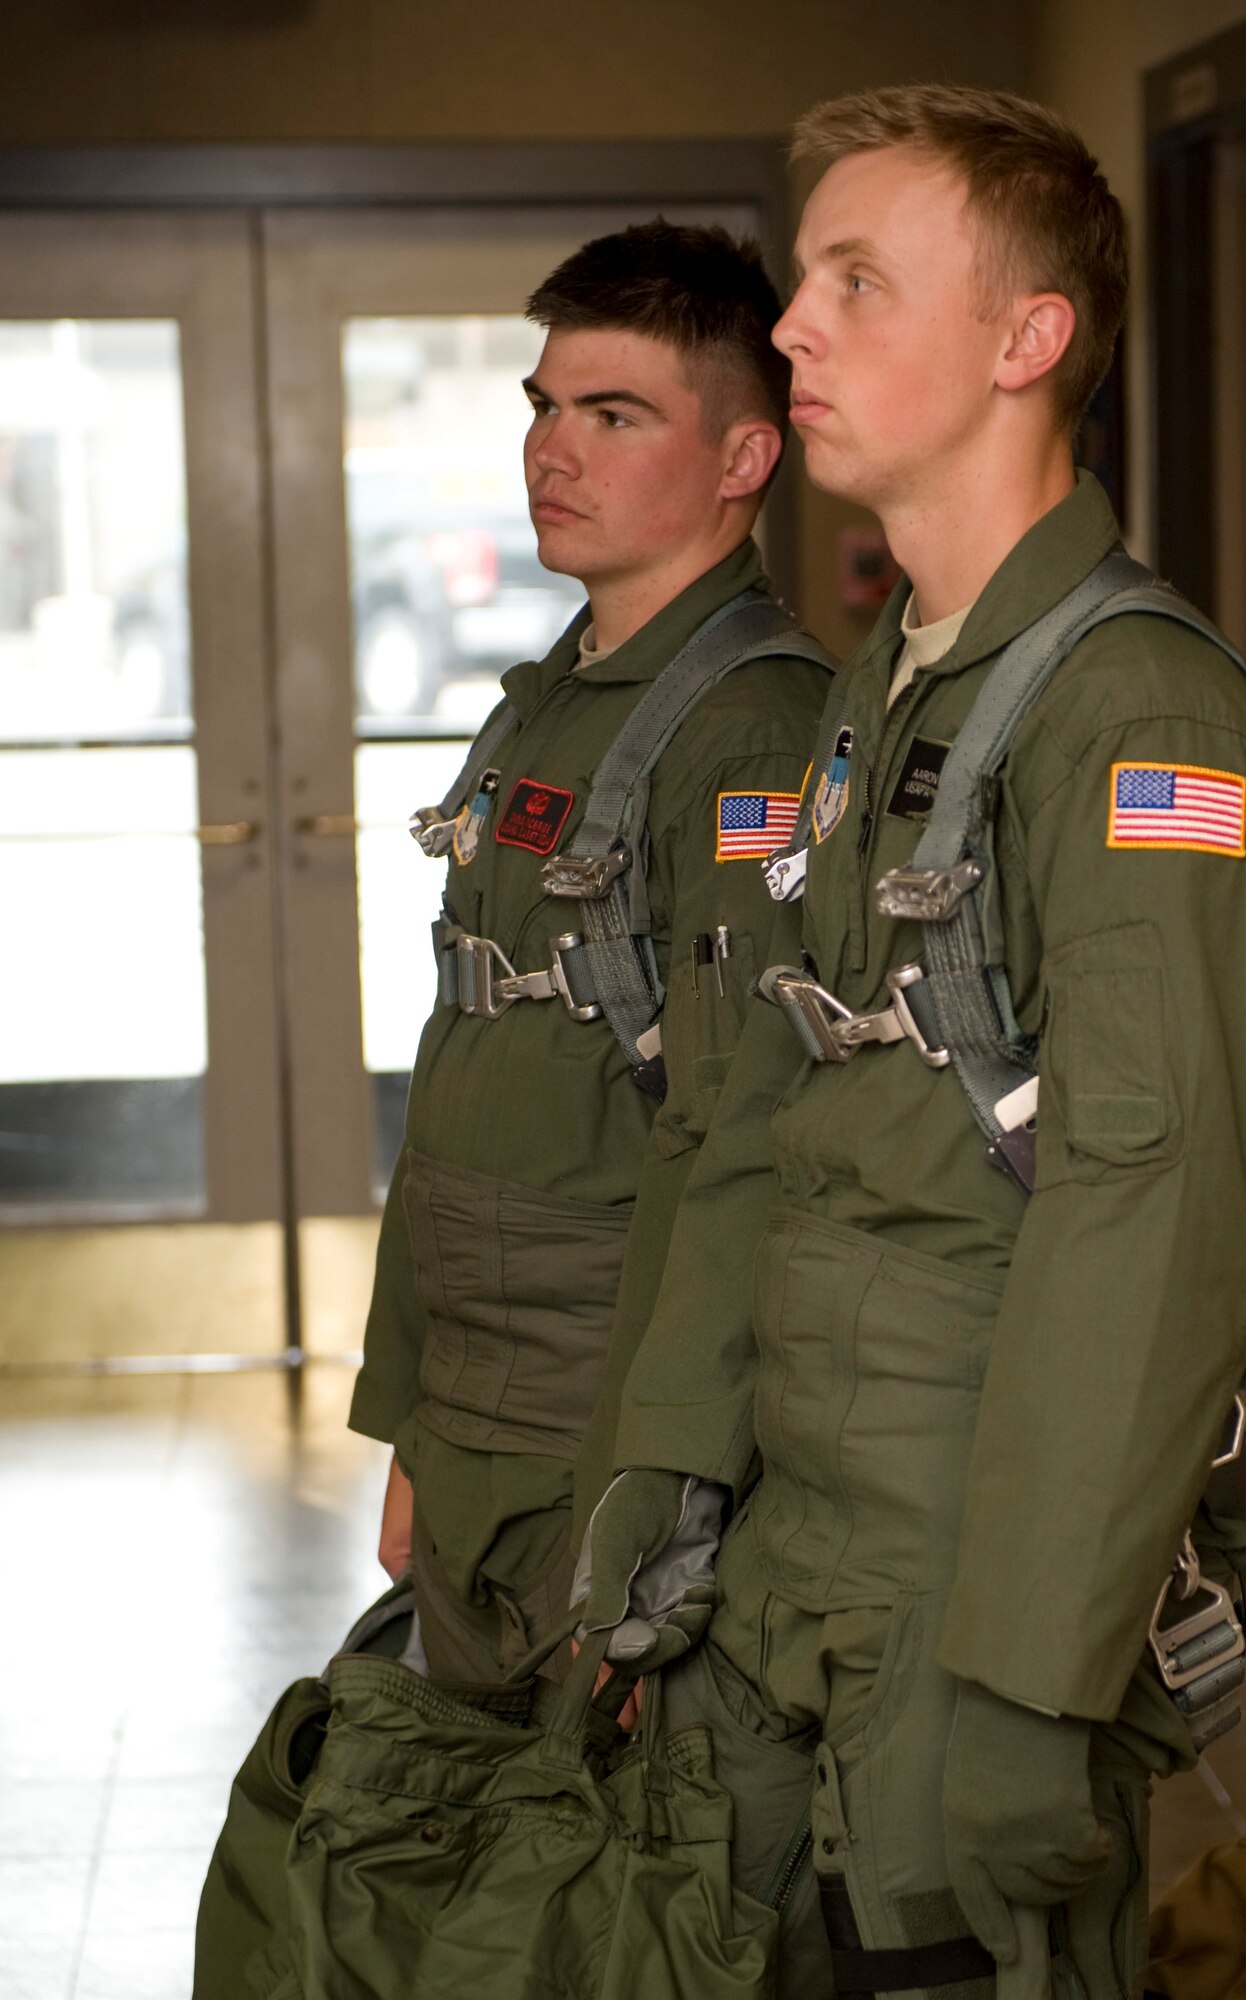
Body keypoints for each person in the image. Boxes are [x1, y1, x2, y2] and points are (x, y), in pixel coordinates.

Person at [576, 87, 1246, 2000]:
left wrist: (1030, 1671)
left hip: (973, 1578)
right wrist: (664, 1466)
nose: (795, 328)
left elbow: (1159, 1220)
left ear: (1025, 340)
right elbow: (754, 1112)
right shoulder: (878, 695)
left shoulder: (1142, 722)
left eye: (855, 282)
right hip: (793, 1556)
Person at [193, 218, 831, 1994]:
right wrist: (410, 1421)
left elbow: (744, 1152)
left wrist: (662, 1499)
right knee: (475, 1864)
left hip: (604, 1428)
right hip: (484, 1413)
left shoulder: (754, 732)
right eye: (546, 403)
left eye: (615, 411)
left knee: (602, 1890)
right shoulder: (553, 703)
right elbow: (476, 1086)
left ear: (741, 456)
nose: (552, 446)